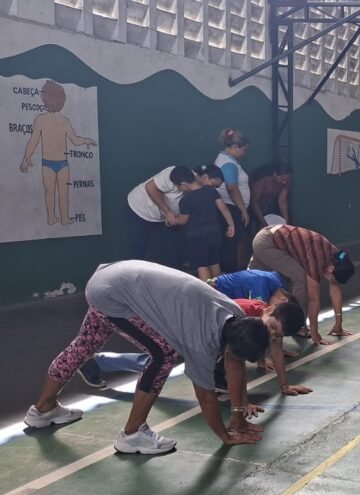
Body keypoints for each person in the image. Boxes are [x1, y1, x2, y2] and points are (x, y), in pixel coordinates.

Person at [24, 261, 272, 454]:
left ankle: (44, 409)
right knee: (163, 355)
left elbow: (234, 363)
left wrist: (238, 414)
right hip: (115, 295)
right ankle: (132, 435)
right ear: (230, 348)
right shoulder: (200, 341)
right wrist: (225, 436)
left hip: (111, 278)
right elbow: (206, 397)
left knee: (85, 344)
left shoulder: (236, 315)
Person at [75, 294, 311, 396]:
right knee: (166, 357)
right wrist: (241, 404)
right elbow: (233, 361)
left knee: (169, 358)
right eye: (272, 328)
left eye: (277, 335)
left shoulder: (270, 325)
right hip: (190, 323)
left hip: (210, 336)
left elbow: (276, 353)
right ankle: (98, 362)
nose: (272, 335)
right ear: (268, 310)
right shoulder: (243, 313)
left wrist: (284, 385)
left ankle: (99, 362)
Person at [250, 224, 355, 345]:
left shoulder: (337, 257)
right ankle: (298, 325)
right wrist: (315, 334)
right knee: (302, 279)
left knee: (254, 279)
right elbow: (313, 300)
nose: (331, 282)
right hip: (267, 242)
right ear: (331, 269)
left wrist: (338, 324)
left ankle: (256, 324)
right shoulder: (317, 259)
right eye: (333, 279)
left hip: (272, 235)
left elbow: (335, 288)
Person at [18, 79, 97, 226]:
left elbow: (34, 141)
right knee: (59, 193)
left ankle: (56, 218)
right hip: (58, 164)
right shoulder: (60, 121)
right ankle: (59, 218)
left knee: (52, 193)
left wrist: (26, 157)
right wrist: (26, 157)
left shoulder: (43, 120)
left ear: (44, 99)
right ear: (62, 100)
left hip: (53, 163)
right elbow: (75, 140)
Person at [125, 166, 199, 266]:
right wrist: (168, 212)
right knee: (138, 248)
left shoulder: (196, 182)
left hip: (166, 217)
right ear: (182, 184)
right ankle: (133, 273)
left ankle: (173, 273)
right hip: (140, 209)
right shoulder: (171, 174)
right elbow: (150, 187)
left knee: (174, 247)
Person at [176, 165, 235, 280]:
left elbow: (183, 220)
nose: (178, 189)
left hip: (197, 237)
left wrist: (173, 219)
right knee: (214, 262)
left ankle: (207, 289)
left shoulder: (185, 200)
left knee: (202, 265)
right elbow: (223, 208)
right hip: (215, 233)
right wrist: (231, 225)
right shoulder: (211, 191)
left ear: (183, 184)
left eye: (178, 186)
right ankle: (220, 287)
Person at [215, 128, 252, 272]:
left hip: (229, 207)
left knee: (229, 244)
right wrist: (243, 210)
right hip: (231, 207)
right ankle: (229, 273)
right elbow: (232, 188)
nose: (245, 154)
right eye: (244, 150)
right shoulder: (229, 163)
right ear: (236, 147)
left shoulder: (227, 160)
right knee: (230, 245)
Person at [249, 162, 293, 228]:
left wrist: (286, 222)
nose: (284, 182)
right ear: (275, 174)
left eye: (287, 180)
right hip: (255, 208)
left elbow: (282, 201)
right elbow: (254, 202)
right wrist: (262, 220)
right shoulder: (263, 181)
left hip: (269, 208)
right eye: (282, 179)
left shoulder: (286, 181)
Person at [208, 269, 289, 303]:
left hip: (219, 282)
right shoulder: (260, 287)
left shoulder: (278, 281)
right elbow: (259, 314)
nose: (272, 310)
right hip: (216, 291)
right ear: (283, 300)